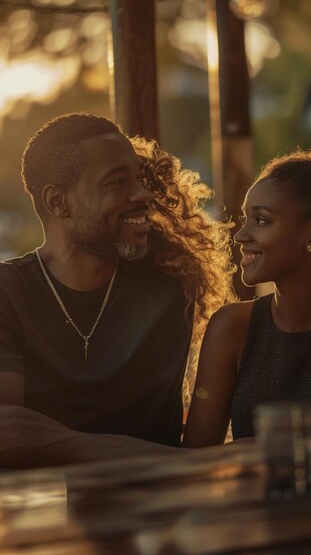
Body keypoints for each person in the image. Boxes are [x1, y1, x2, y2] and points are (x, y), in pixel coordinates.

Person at [0, 112, 235, 468]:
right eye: (116, 183)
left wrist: (55, 441)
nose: (142, 194)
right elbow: (7, 433)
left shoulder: (171, 282)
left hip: (158, 508)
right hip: (42, 514)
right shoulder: (9, 292)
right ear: (57, 203)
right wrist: (153, 458)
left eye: (139, 179)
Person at [183, 129, 311, 447]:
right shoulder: (231, 327)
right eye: (245, 218)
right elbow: (195, 456)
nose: (241, 235)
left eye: (261, 220)